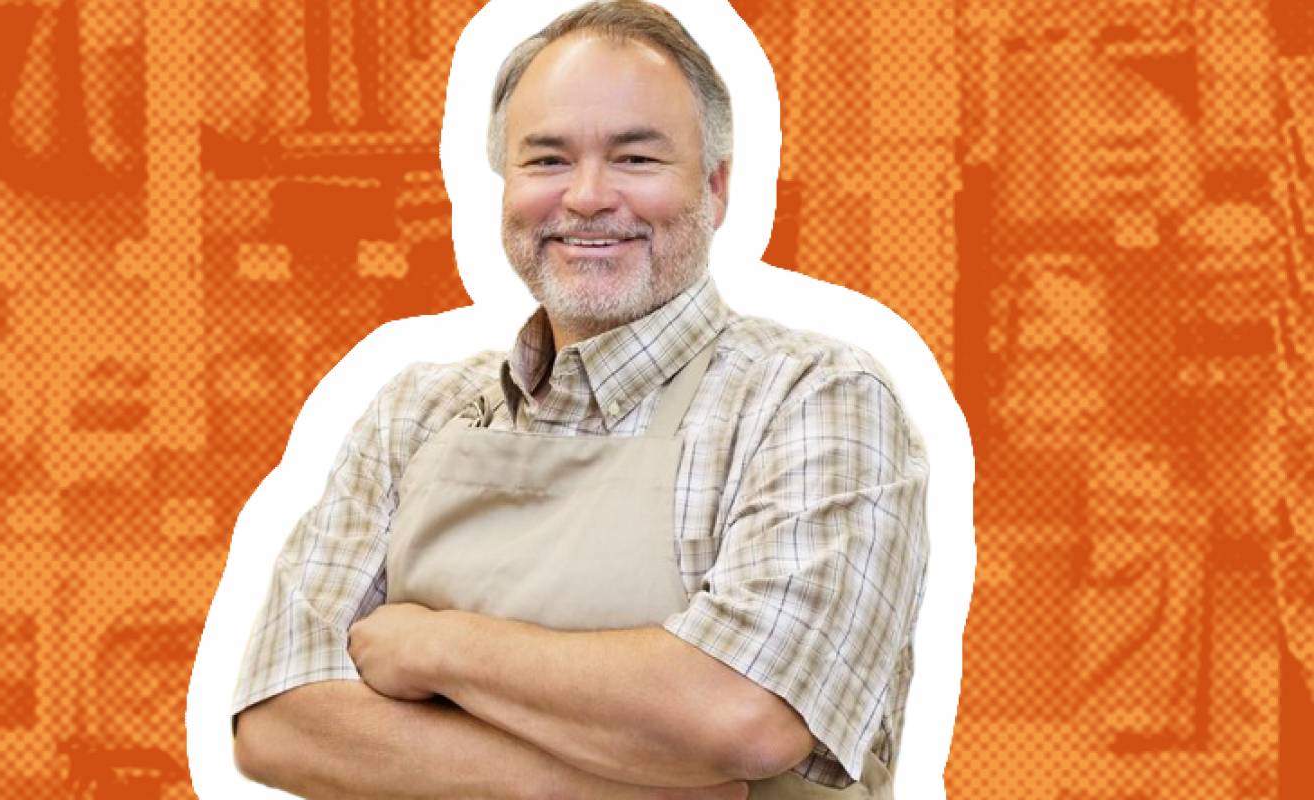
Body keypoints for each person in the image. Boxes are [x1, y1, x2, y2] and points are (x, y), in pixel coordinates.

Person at [231, 2, 928, 797]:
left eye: (635, 158)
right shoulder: (411, 413)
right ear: (506, 186)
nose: (588, 196)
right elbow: (278, 720)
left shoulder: (813, 399)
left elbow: (746, 713)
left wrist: (436, 648)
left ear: (715, 188)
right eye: (547, 159)